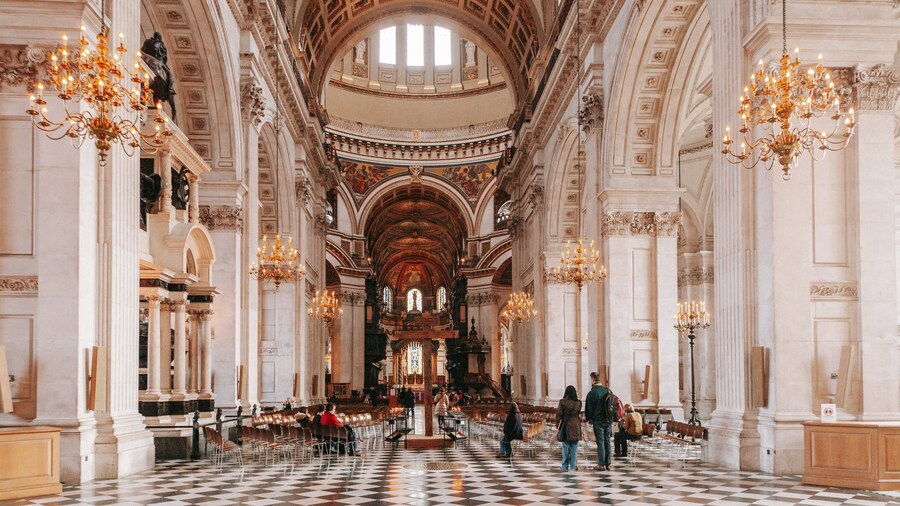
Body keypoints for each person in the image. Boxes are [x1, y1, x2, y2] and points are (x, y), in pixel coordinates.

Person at [584, 371, 614, 471]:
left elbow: (588, 409)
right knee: (607, 441)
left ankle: (601, 464)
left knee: (600, 442)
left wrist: (589, 418)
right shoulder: (608, 391)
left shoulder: (592, 393)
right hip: (608, 420)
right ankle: (608, 463)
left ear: (592, 380)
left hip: (598, 421)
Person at [556, 385, 582, 471]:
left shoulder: (562, 402)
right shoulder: (579, 403)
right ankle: (573, 466)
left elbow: (559, 414)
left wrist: (558, 426)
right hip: (576, 425)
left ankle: (564, 466)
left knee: (565, 446)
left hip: (566, 425)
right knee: (574, 447)